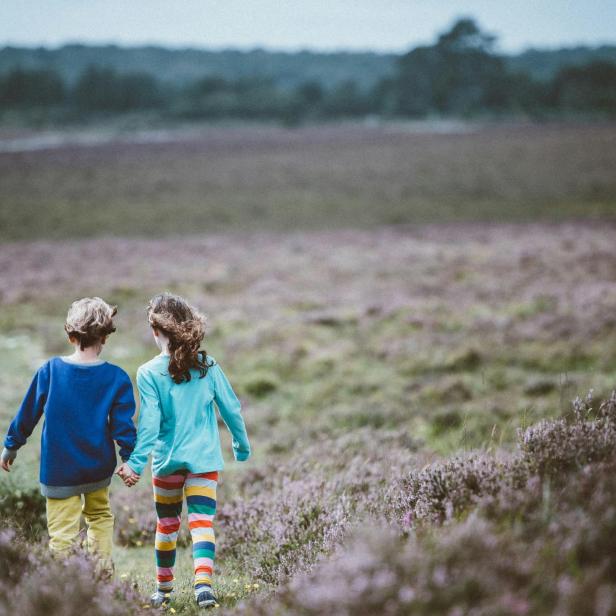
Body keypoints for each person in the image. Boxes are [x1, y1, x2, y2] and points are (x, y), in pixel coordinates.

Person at [116, 292, 251, 609]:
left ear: (156, 331)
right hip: (204, 462)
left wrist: (136, 463)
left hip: (166, 463)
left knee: (167, 525)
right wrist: (240, 445)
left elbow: (149, 424)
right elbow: (231, 408)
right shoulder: (207, 364)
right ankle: (204, 586)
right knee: (202, 522)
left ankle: (163, 591)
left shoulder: (148, 372)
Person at [1, 297, 136, 571]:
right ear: (105, 337)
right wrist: (130, 458)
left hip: (58, 469)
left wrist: (11, 446)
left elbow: (27, 414)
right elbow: (123, 427)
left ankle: (66, 584)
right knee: (99, 517)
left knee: (62, 533)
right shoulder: (117, 377)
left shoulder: (50, 371)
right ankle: (100, 575)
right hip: (98, 469)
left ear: (70, 335)